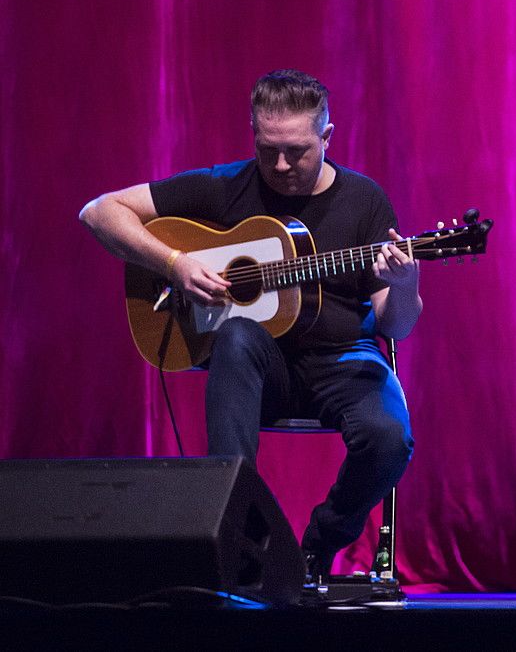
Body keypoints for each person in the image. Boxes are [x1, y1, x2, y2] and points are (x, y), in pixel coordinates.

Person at [80, 69, 419, 580]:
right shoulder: (226, 188)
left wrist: (406, 282)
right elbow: (99, 212)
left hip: (342, 362)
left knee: (390, 438)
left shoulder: (365, 201)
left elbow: (396, 326)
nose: (280, 166)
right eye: (267, 150)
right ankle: (240, 546)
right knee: (237, 336)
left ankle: (316, 547)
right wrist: (175, 263)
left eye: (298, 152)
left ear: (327, 137)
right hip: (258, 371)